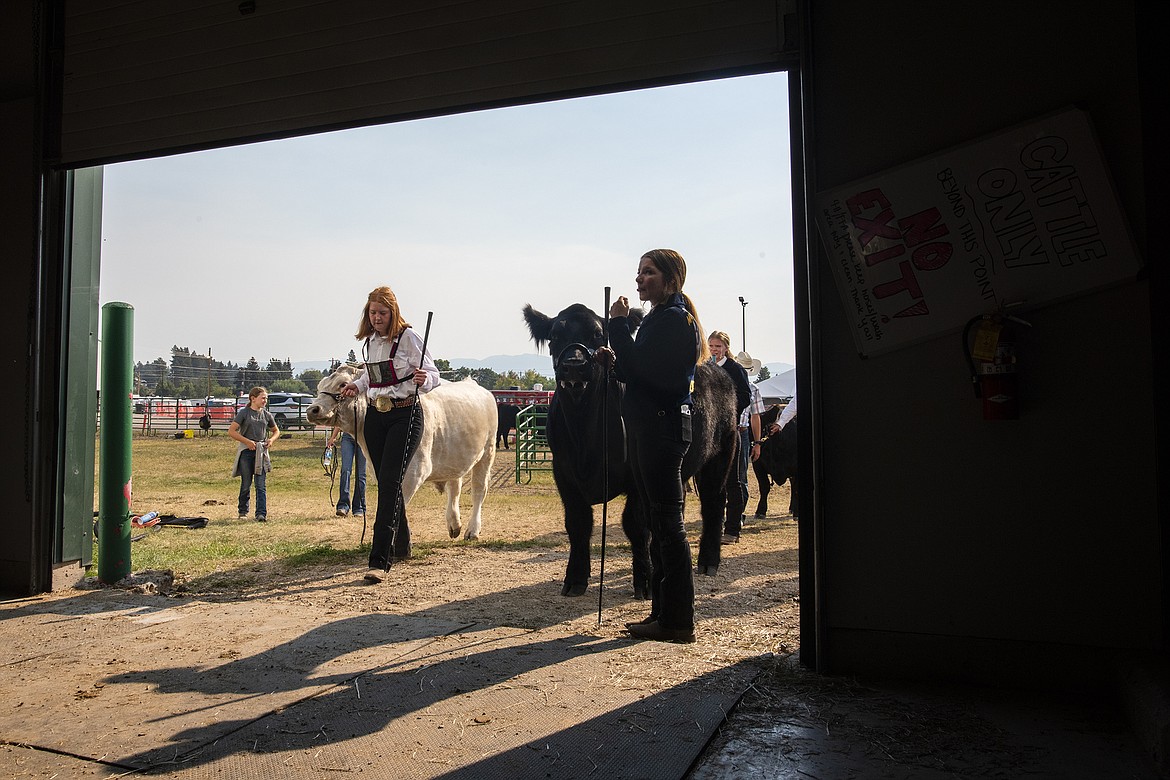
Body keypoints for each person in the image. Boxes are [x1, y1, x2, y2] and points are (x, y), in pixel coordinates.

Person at [599, 248, 707, 644]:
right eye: (639, 272)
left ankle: (677, 620)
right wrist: (615, 357)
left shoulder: (674, 321)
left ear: (669, 279)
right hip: (651, 430)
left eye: (648, 273)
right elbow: (634, 369)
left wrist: (618, 326)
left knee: (667, 526)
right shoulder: (662, 319)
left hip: (662, 432)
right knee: (659, 525)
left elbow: (647, 371)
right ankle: (664, 613)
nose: (639, 279)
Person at [338, 285, 440, 583]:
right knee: (386, 482)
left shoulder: (409, 338)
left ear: (392, 312)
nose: (377, 318)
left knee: (390, 481)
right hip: (374, 415)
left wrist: (426, 378)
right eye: (372, 313)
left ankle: (379, 559)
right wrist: (356, 386)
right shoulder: (369, 342)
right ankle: (403, 543)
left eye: (382, 313)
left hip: (405, 414)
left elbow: (433, 373)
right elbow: (372, 376)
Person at [706, 331, 751, 540]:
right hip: (710, 434)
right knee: (713, 482)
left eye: (718, 346)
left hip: (731, 431)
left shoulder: (735, 369)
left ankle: (733, 528)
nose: (714, 350)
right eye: (711, 346)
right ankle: (714, 528)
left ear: (726, 347)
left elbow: (744, 397)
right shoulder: (705, 368)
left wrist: (725, 410)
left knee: (734, 481)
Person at [725, 363, 765, 543]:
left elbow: (755, 416)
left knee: (740, 476)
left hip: (741, 431)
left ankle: (737, 516)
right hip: (726, 430)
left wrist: (757, 442)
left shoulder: (753, 389)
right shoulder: (727, 381)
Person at [229, 386, 280, 522]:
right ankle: (243, 511)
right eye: (263, 398)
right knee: (246, 483)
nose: (265, 401)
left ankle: (261, 513)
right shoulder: (244, 413)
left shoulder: (267, 415)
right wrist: (247, 442)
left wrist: (271, 440)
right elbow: (232, 431)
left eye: (266, 398)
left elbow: (276, 431)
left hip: (261, 453)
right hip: (246, 452)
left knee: (260, 484)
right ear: (253, 398)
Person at [326, 427, 366, 518]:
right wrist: (333, 437)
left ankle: (359, 507)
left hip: (362, 438)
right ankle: (343, 506)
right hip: (347, 436)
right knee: (345, 470)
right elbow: (341, 419)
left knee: (361, 474)